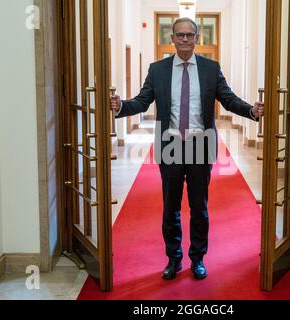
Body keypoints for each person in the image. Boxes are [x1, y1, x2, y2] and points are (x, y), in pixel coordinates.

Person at [110, 18, 264, 280]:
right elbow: (143, 101)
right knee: (170, 207)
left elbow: (228, 99)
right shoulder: (157, 69)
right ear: (172, 38)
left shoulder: (210, 68)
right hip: (169, 144)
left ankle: (198, 258)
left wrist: (251, 111)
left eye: (189, 35)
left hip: (200, 145)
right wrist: (121, 107)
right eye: (179, 35)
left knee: (199, 206)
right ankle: (173, 259)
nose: (184, 39)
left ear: (196, 39)